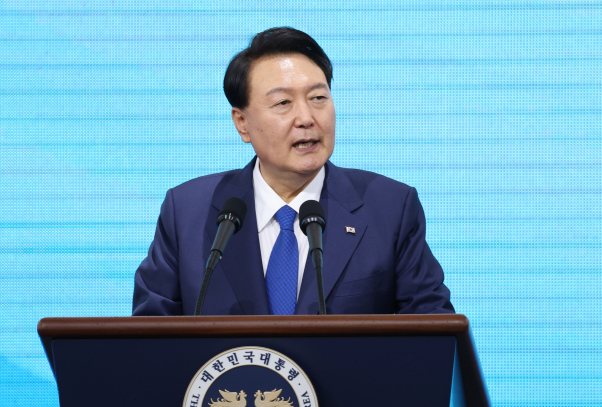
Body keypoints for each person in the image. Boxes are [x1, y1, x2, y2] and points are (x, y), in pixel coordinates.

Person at [132, 27, 454, 316]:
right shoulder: (187, 212)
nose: (306, 118)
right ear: (242, 123)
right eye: (283, 103)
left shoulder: (390, 207)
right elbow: (149, 340)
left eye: (318, 98)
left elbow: (433, 330)